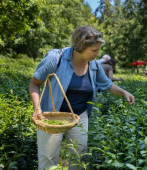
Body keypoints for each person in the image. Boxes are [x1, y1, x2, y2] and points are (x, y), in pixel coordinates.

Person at [29, 26, 135, 170]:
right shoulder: (56, 58)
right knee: (48, 159)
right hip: (50, 117)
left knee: (79, 159)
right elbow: (34, 84)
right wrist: (37, 108)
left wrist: (124, 93)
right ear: (80, 47)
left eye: (98, 50)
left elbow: (107, 84)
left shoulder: (93, 65)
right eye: (94, 51)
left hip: (79, 116)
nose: (97, 54)